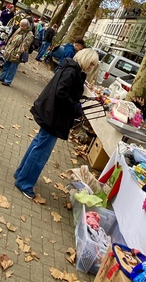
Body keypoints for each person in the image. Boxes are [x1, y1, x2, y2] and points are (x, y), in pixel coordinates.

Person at [14, 48, 100, 199]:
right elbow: (62, 94)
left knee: (37, 145)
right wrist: (76, 108)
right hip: (54, 117)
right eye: (91, 64)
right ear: (86, 59)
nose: (91, 67)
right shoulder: (72, 71)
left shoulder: (71, 68)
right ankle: (24, 182)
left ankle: (22, 173)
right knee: (41, 152)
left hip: (51, 114)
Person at [0, 20, 34, 87]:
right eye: (20, 25)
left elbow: (25, 45)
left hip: (17, 52)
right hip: (11, 50)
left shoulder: (29, 34)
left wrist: (19, 53)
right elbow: (12, 38)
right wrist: (7, 47)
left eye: (22, 26)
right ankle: (2, 77)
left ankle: (8, 81)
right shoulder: (19, 30)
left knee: (12, 67)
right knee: (7, 64)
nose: (20, 27)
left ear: (26, 26)